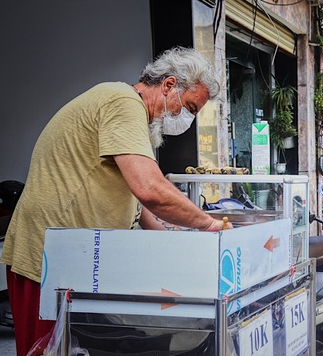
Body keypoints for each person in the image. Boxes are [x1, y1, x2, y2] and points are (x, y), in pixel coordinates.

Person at [0, 46, 233, 356]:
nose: (186, 118)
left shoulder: (134, 120)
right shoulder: (122, 103)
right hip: (47, 260)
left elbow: (140, 206)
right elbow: (150, 189)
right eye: (189, 106)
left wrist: (176, 246)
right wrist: (208, 223)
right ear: (168, 85)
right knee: (46, 350)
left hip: (74, 261)